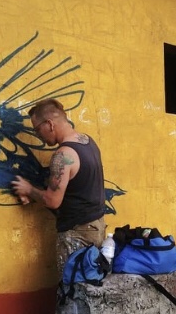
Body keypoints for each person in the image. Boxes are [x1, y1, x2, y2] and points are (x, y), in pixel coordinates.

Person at [11, 99, 106, 276]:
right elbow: (77, 186)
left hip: (78, 233)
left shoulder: (63, 156)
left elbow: (52, 201)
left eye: (37, 129)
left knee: (73, 284)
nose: (38, 135)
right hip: (96, 226)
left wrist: (28, 189)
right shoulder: (88, 141)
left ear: (49, 124)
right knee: (90, 281)